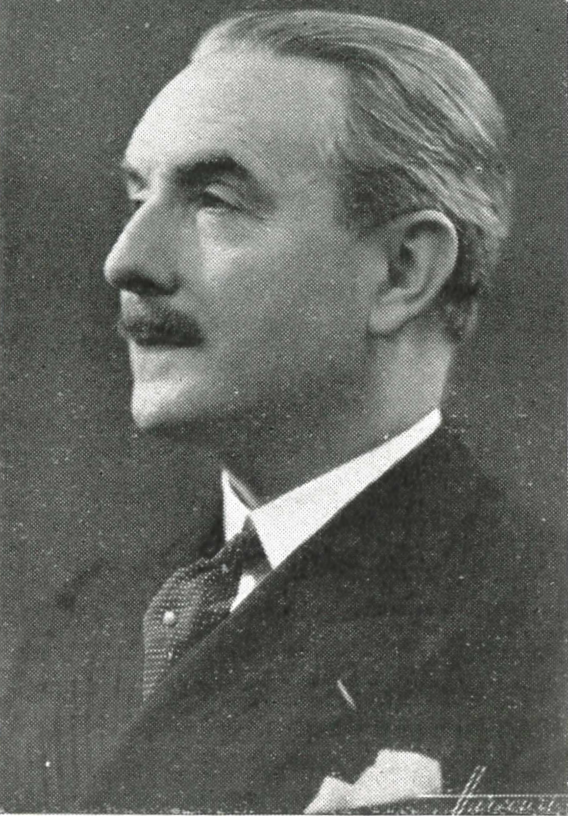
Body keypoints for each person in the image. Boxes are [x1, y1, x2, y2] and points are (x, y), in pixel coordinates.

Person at [5, 9, 565, 813]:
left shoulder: (539, 628)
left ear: (402, 272)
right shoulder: (81, 627)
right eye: (137, 195)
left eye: (214, 200)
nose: (125, 260)